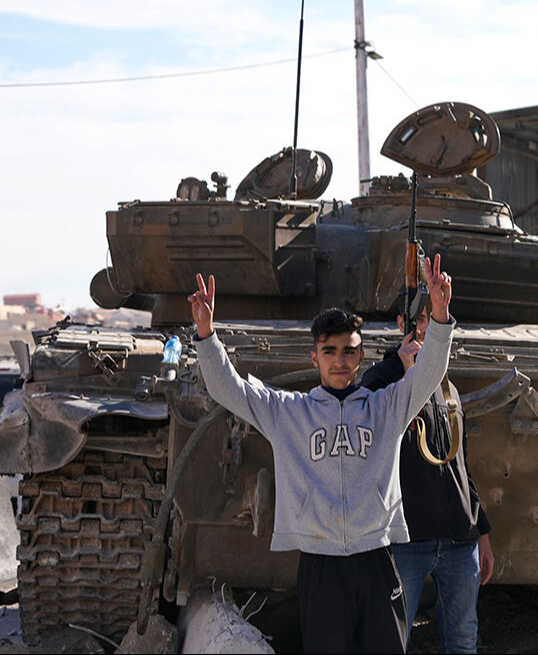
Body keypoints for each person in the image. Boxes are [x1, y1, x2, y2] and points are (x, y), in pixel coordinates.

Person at [187, 254, 454, 655]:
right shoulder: (288, 413)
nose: (340, 361)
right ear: (315, 358)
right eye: (329, 352)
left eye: (349, 352)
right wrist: (207, 337)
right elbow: (231, 390)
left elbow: (429, 372)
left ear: (360, 358)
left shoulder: (387, 407)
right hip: (320, 564)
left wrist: (440, 314)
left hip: (376, 559)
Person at [359, 294, 494, 654]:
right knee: (391, 640)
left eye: (432, 320)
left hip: (458, 540)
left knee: (463, 639)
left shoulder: (447, 385)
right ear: (402, 325)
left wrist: (480, 531)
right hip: (407, 541)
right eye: (419, 320)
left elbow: (460, 466)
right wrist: (407, 377)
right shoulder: (379, 379)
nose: (425, 327)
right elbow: (363, 432)